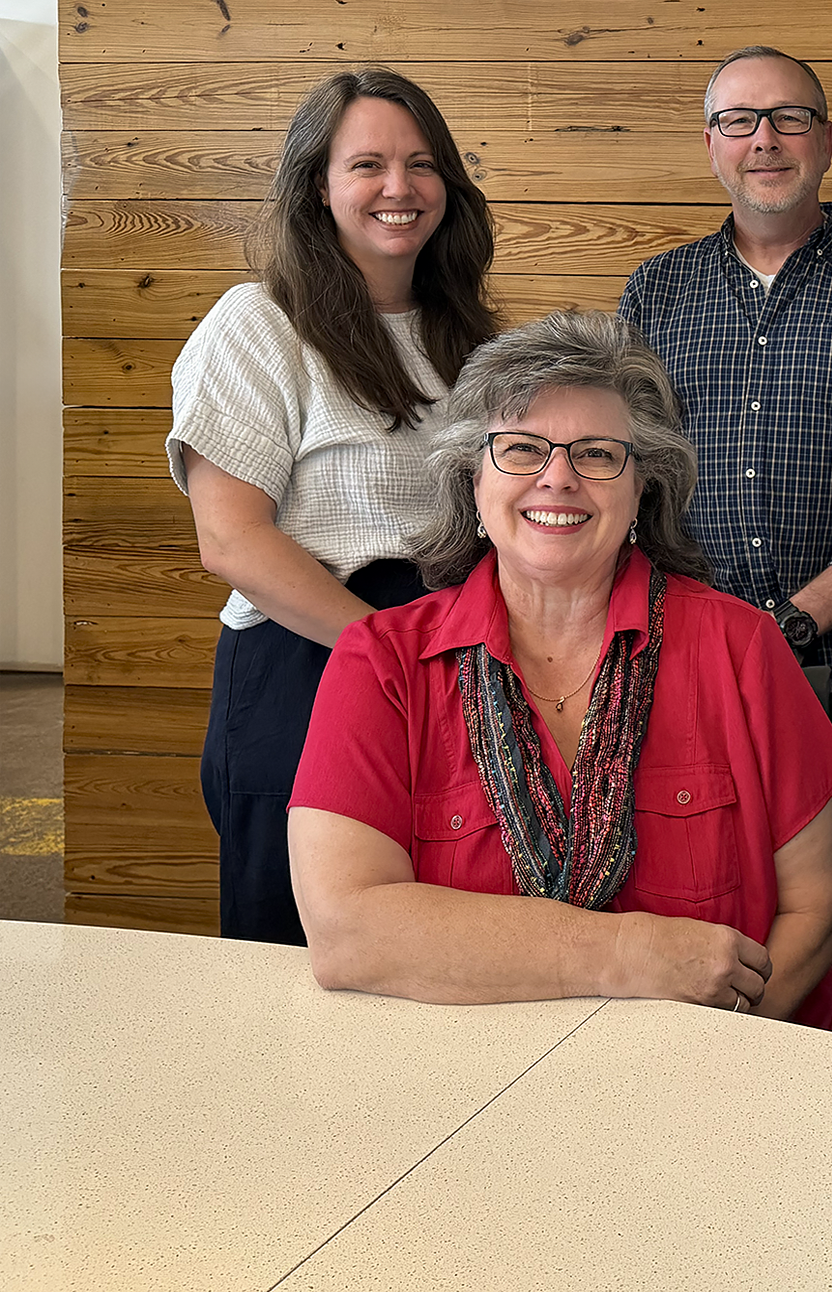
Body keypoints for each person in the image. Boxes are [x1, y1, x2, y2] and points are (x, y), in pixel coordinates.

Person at [287, 310, 832, 1034]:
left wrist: (701, 1062)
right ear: (472, 480)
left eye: (595, 454)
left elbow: (814, 910)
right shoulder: (381, 661)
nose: (557, 478)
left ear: (642, 487)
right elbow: (347, 932)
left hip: (727, 1066)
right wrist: (628, 953)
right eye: (522, 449)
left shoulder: (744, 646)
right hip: (461, 1072)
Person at [616, 46, 832, 1045]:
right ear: (711, 145)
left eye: (788, 117)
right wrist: (714, 635)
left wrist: (798, 620)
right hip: (693, 675)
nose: (763, 140)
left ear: (825, 138)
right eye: (739, 120)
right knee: (724, 916)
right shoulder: (655, 292)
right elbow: (625, 473)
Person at [166, 67, 500, 945]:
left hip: (449, 663)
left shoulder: (475, 342)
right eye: (367, 165)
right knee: (296, 954)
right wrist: (389, 657)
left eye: (421, 164)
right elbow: (232, 541)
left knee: (431, 941)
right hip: (310, 665)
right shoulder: (259, 323)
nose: (399, 187)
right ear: (318, 185)